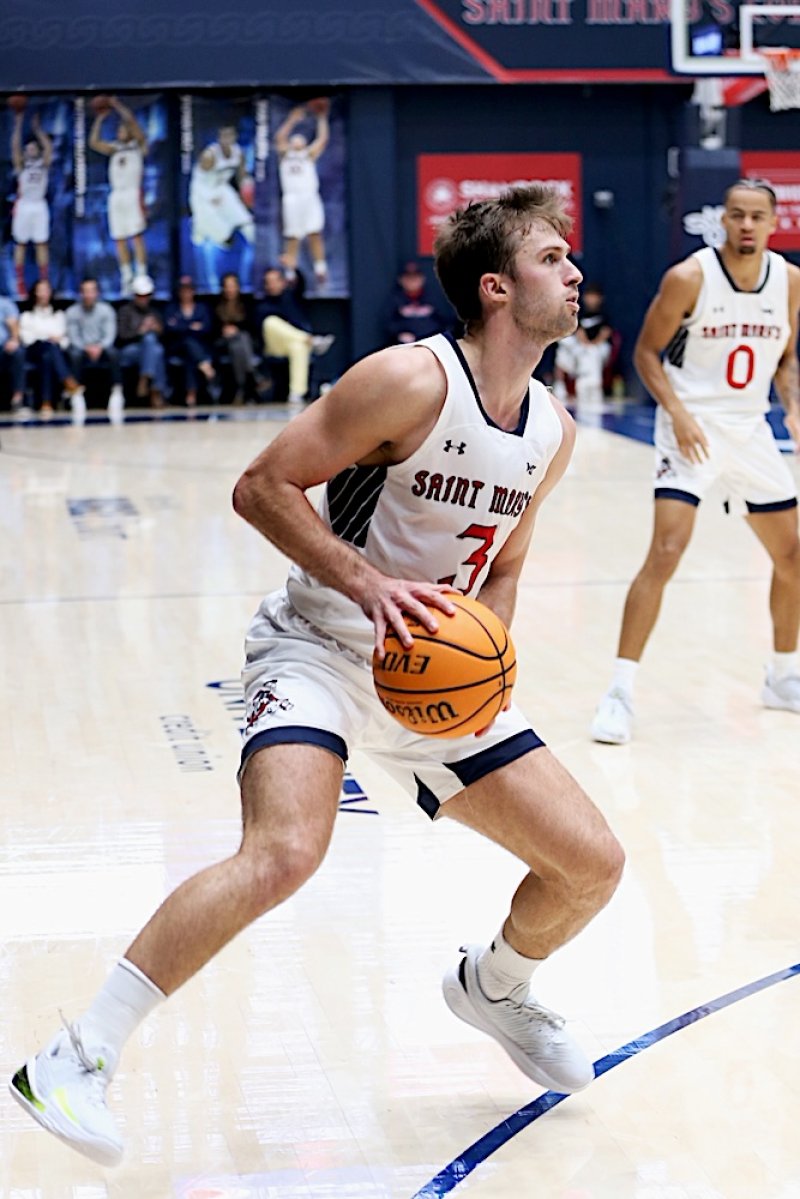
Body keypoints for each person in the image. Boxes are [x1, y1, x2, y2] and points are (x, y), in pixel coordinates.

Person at [10, 185, 625, 1167]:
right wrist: (368, 585)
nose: (575, 270)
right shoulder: (409, 380)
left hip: (434, 677)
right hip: (321, 648)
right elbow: (261, 485)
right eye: (552, 257)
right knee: (285, 850)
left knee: (591, 863)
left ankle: (494, 984)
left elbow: (505, 561)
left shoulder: (551, 429)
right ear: (497, 287)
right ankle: (74, 1055)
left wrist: (492, 647)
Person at [591, 179, 800, 745]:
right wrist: (679, 414)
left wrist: (793, 408)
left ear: (773, 221)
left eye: (757, 216)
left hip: (750, 429)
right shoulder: (690, 277)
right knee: (666, 552)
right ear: (722, 220)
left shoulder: (789, 281)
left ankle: (783, 677)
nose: (747, 225)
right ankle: (619, 693)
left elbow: (784, 358)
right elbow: (645, 353)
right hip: (691, 427)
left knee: (792, 556)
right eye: (737, 215)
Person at [89, 97, 148, 295]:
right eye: (118, 130)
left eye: (122, 129)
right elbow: (93, 142)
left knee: (136, 237)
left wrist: (116, 105)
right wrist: (100, 118)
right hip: (116, 196)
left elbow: (131, 120)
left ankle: (141, 274)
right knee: (119, 238)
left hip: (132, 194)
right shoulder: (114, 148)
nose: (119, 132)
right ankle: (126, 277)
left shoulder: (138, 145)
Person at [189, 125, 255, 294]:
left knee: (248, 224)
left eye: (230, 136)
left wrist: (247, 191)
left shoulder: (238, 152)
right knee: (221, 238)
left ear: (234, 137)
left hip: (222, 190)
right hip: (202, 193)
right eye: (223, 136)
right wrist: (209, 199)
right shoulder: (209, 155)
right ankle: (200, 228)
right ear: (219, 138)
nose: (227, 139)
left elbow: (242, 176)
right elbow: (198, 180)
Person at [257, 265, 334, 406]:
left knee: (298, 347)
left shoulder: (291, 298)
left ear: (283, 282)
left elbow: (301, 284)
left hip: (292, 344)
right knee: (270, 322)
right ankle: (311, 340)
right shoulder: (262, 305)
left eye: (275, 281)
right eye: (268, 282)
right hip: (273, 347)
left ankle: (296, 393)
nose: (272, 285)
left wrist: (292, 268)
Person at [274, 102, 329, 288]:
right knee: (293, 237)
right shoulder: (285, 155)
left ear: (304, 143)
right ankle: (290, 272)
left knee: (315, 233)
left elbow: (322, 139)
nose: (297, 141)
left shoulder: (308, 155)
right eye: (294, 139)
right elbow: (279, 137)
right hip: (292, 199)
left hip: (309, 197)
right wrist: (292, 120)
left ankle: (320, 269)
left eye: (300, 140)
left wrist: (321, 118)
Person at [65, 277, 124, 423]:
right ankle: (76, 394)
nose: (88, 295)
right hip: (82, 349)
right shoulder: (72, 311)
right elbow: (73, 337)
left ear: (97, 293)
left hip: (102, 348)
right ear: (80, 293)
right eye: (85, 291)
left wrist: (99, 347)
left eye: (92, 291)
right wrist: (86, 347)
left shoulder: (106, 310)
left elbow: (110, 335)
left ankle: (117, 392)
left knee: (113, 353)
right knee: (74, 354)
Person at [19, 279, 82, 414]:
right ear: (34, 293)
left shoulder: (58, 315)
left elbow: (63, 338)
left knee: (48, 356)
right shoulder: (27, 315)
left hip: (54, 352)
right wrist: (47, 336)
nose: (43, 294)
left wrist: (44, 336)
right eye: (40, 290)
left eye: (46, 290)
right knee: (47, 346)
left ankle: (46, 402)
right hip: (33, 351)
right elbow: (27, 338)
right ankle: (67, 380)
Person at [554, 282, 618, 408]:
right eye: (589, 296)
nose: (592, 299)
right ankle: (560, 384)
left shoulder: (605, 315)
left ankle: (591, 386)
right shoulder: (580, 313)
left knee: (592, 353)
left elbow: (606, 333)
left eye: (595, 296)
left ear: (600, 298)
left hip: (599, 348)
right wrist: (585, 344)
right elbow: (579, 332)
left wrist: (592, 344)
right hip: (582, 346)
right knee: (564, 346)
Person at [11, 109, 53, 301]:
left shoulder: (43, 164)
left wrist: (37, 130)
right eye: (28, 149)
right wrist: (19, 123)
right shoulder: (22, 165)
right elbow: (14, 146)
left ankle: (44, 280)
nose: (31, 151)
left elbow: (49, 148)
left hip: (39, 205)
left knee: (41, 243)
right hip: (24, 205)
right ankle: (19, 281)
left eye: (33, 148)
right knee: (20, 243)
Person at [163, 276, 218, 408]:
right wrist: (191, 327)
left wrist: (183, 326)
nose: (186, 293)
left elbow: (207, 327)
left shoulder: (202, 308)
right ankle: (205, 365)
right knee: (187, 341)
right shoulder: (171, 308)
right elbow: (170, 328)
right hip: (177, 346)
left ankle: (191, 394)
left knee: (190, 354)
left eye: (189, 290)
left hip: (199, 346)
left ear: (193, 291)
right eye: (183, 290)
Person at [116, 275, 167, 409]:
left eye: (146, 296)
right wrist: (140, 332)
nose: (143, 299)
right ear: (134, 295)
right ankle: (155, 391)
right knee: (155, 349)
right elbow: (121, 336)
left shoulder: (154, 311)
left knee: (157, 349)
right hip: (129, 350)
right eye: (140, 296)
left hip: (148, 351)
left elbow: (165, 337)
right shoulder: (125, 311)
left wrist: (158, 329)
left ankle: (145, 378)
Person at [212, 271, 260, 405]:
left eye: (232, 286)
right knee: (240, 341)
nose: (230, 290)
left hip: (242, 342)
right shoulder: (216, 304)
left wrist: (236, 329)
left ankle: (241, 386)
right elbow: (212, 329)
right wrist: (224, 331)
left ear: (238, 287)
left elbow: (252, 327)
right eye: (227, 286)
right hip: (223, 342)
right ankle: (253, 375)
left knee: (239, 342)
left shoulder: (247, 303)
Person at [385, 259, 451, 346]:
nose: (412, 281)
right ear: (401, 280)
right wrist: (399, 334)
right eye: (409, 278)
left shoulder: (434, 297)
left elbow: (447, 320)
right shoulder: (395, 299)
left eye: (415, 277)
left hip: (433, 343)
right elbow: (388, 323)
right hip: (406, 345)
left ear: (422, 278)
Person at [0, 293, 26, 413]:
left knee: (18, 352)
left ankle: (17, 399)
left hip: (3, 347)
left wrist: (14, 340)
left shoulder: (5, 303)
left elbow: (13, 324)